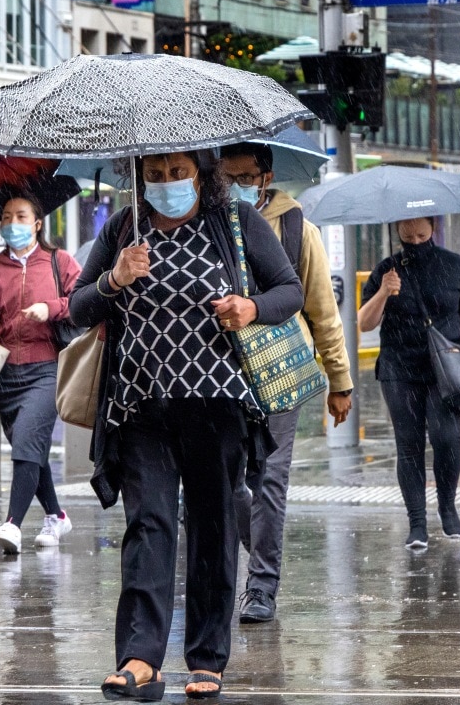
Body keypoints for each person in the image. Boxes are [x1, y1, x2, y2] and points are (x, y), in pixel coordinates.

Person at [70, 150, 302, 701]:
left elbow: (288, 291)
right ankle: (140, 657)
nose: (167, 183)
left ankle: (206, 657)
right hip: (140, 405)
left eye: (178, 172)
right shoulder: (125, 228)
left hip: (216, 403)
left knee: (213, 525)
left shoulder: (236, 223)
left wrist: (249, 308)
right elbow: (77, 307)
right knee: (148, 524)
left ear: (201, 172)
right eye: (155, 174)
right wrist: (114, 279)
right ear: (139, 176)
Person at [218, 142, 355, 625]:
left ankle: (261, 587)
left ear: (266, 176)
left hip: (279, 371)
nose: (235, 185)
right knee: (231, 480)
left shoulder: (297, 226)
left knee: (270, 477)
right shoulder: (209, 223)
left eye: (244, 176)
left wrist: (340, 380)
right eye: (226, 176)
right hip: (223, 372)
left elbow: (321, 309)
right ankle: (261, 546)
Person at [0, 194, 79, 555]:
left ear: (37, 224)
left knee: (26, 440)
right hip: (6, 372)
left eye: (21, 216)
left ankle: (12, 524)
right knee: (32, 450)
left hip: (48, 367)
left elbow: (84, 302)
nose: (13, 223)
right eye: (6, 217)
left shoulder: (60, 262)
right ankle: (56, 515)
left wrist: (50, 307)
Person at [359, 216, 460, 550]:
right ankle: (417, 522)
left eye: (422, 233)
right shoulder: (386, 270)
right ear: (397, 229)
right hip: (399, 367)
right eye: (407, 233)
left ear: (433, 228)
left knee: (446, 438)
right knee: (409, 445)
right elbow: (365, 323)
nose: (415, 239)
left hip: (446, 368)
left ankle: (447, 505)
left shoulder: (455, 265)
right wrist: (385, 291)